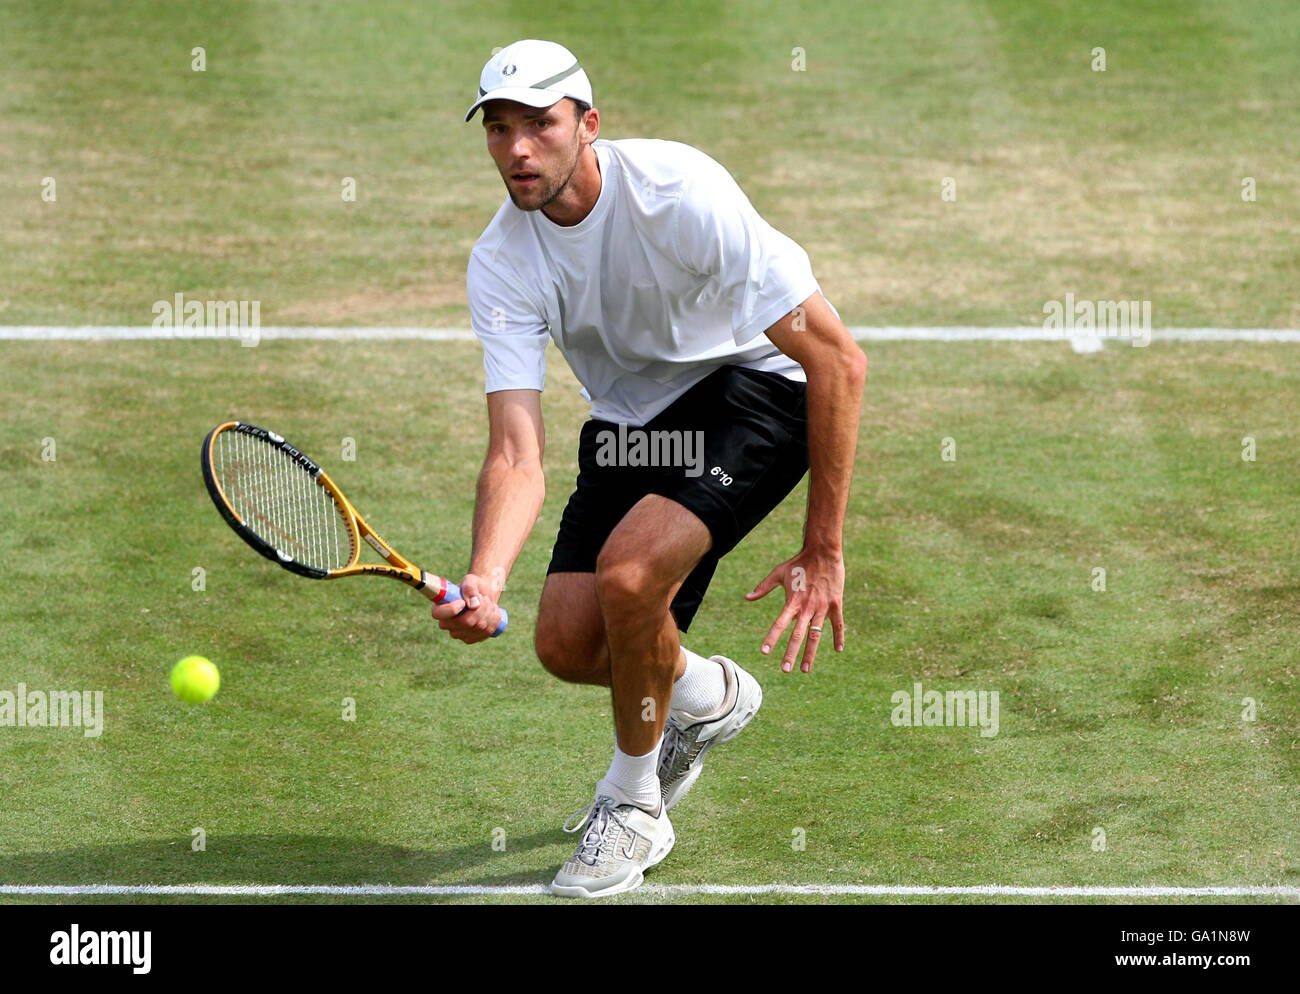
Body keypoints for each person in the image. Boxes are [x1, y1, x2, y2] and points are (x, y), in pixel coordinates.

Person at [435, 38, 866, 898]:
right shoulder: (502, 261)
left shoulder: (679, 192)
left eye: (540, 127)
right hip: (636, 422)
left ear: (587, 126)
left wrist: (825, 549)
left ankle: (632, 807)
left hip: (755, 388)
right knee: (566, 642)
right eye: (499, 129)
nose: (517, 150)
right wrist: (487, 576)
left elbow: (838, 360)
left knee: (629, 580)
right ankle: (704, 694)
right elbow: (517, 450)